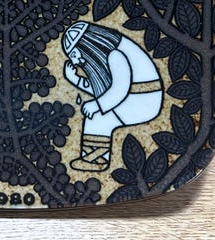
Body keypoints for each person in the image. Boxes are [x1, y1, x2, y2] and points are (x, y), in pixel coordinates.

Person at [62, 22, 163, 171]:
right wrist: (75, 79)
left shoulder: (115, 55)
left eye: (74, 55)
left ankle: (96, 160)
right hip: (136, 98)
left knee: (99, 117)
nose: (75, 62)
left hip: (143, 100)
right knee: (99, 116)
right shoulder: (108, 56)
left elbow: (119, 89)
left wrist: (97, 105)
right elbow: (101, 88)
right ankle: (94, 158)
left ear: (86, 46)